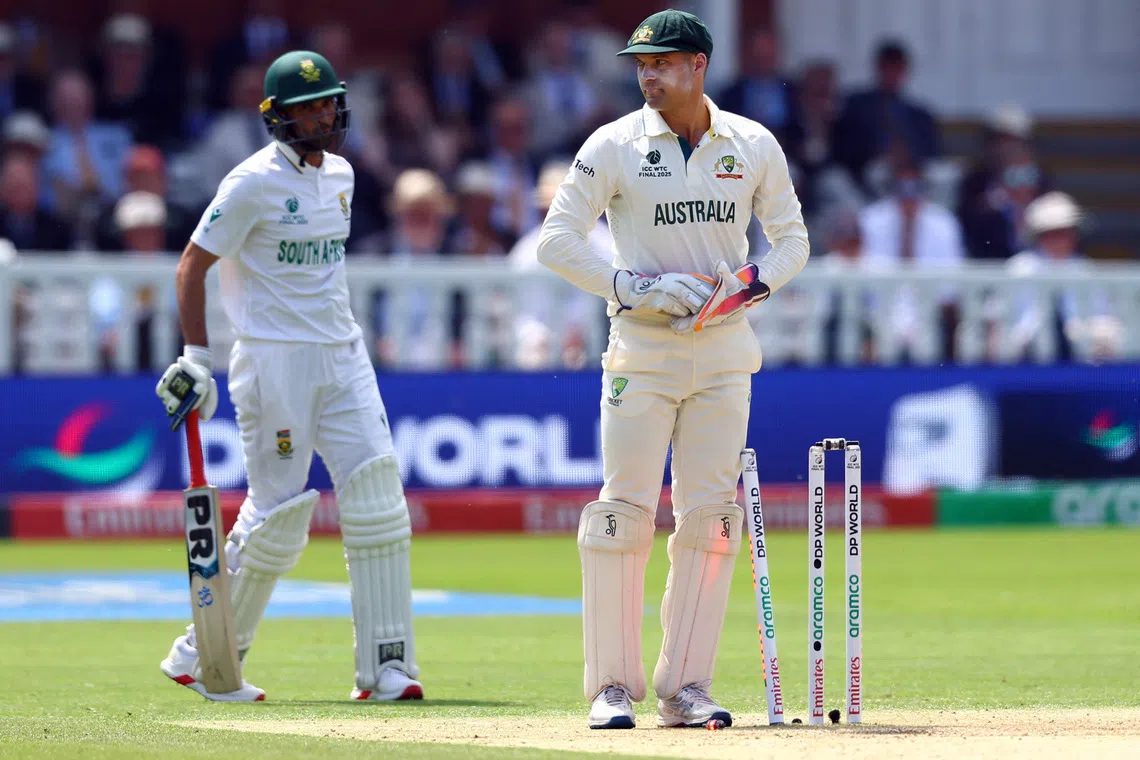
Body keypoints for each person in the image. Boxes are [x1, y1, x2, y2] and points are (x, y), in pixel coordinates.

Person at [537, 10, 809, 729]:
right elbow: (556, 241)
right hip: (642, 347)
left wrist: (744, 288)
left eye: (661, 63)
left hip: (724, 350)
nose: (648, 76)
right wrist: (633, 287)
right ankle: (611, 687)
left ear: (698, 66)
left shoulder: (752, 143)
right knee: (622, 512)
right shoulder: (614, 144)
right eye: (641, 65)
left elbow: (792, 242)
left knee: (712, 518)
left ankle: (686, 686)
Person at [154, 50, 422, 703]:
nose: (323, 116)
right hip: (274, 360)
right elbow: (192, 265)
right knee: (278, 516)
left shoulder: (344, 175)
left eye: (328, 103)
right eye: (308, 108)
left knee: (379, 499)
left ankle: (387, 668)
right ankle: (204, 655)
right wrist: (197, 357)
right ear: (277, 117)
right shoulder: (251, 182)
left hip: (344, 353)